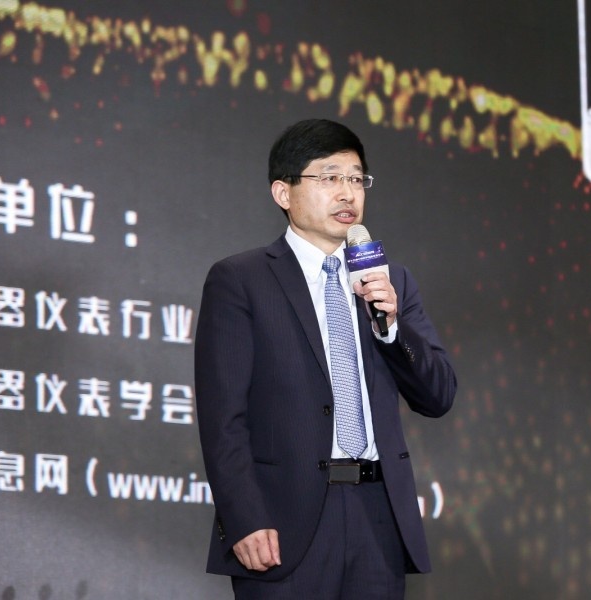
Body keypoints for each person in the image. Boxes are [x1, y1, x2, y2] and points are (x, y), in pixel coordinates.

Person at [194, 118, 457, 599]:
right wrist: (244, 517)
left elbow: (438, 395)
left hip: (379, 515)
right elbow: (222, 417)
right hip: (284, 522)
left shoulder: (389, 280)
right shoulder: (241, 279)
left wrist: (390, 327)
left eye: (356, 178)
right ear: (283, 192)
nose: (347, 193)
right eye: (330, 177)